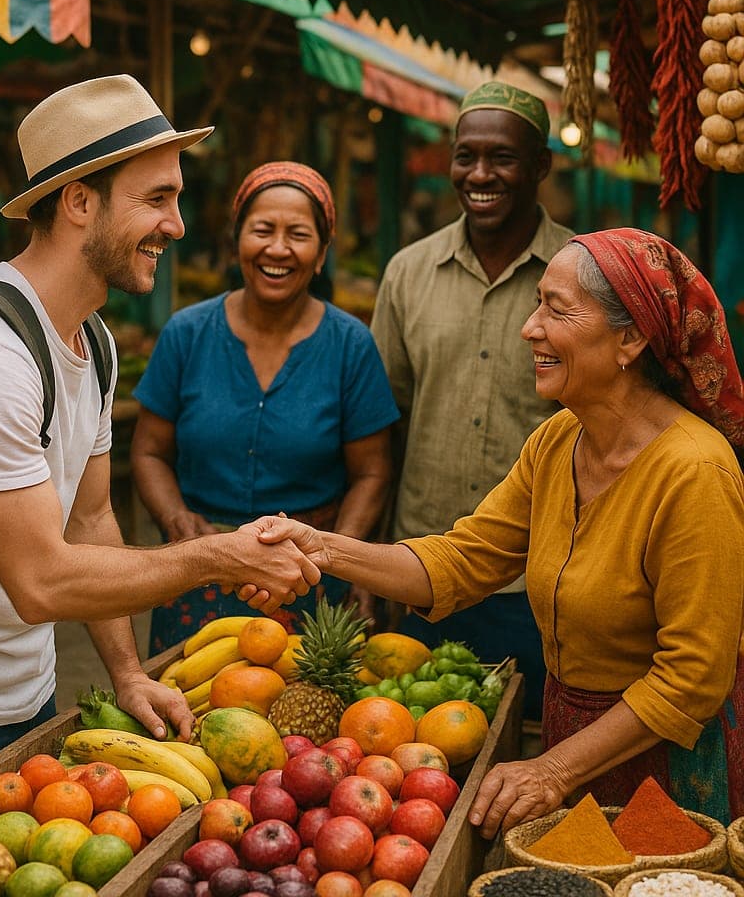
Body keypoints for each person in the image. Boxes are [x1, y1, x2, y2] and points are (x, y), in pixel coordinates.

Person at [0, 76, 321, 837]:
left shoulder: (89, 340)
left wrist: (127, 672)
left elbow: (92, 519)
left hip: (25, 697)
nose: (180, 224)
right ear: (79, 203)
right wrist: (217, 557)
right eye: (157, 199)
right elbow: (41, 579)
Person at [254, 227, 744, 832]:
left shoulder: (695, 471)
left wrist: (554, 769)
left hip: (668, 765)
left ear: (631, 337)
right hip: (575, 741)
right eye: (536, 303)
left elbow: (692, 678)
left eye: (556, 309)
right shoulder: (558, 440)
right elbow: (464, 560)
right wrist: (320, 546)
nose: (529, 327)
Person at [131, 161, 399, 652]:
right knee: (181, 713)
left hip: (305, 580)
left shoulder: (350, 345)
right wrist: (175, 518)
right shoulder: (186, 334)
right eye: (262, 230)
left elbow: (373, 473)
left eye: (298, 234)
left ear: (321, 255)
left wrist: (336, 555)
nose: (278, 249)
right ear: (237, 244)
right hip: (199, 573)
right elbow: (148, 452)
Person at [370, 81, 573, 720]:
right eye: (466, 156)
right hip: (421, 568)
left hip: (538, 578)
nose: (479, 174)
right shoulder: (408, 271)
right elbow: (384, 426)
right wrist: (375, 568)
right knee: (414, 757)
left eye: (502, 158)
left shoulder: (580, 272)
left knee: (532, 752)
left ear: (540, 166)